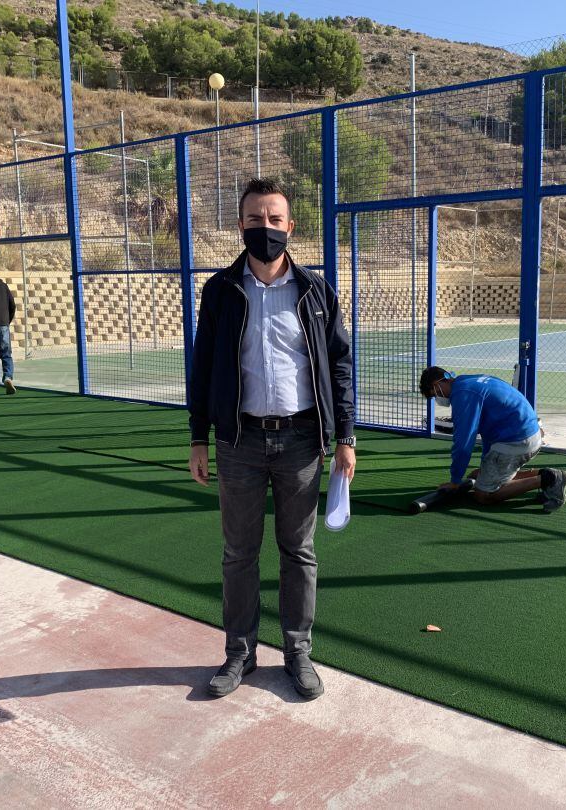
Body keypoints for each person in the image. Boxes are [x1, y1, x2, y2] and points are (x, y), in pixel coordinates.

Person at [188, 178, 356, 700]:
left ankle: (297, 652)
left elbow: (340, 365)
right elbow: (203, 367)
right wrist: (199, 437)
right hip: (240, 440)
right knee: (239, 552)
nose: (266, 228)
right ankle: (239, 653)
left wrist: (346, 436)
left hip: (303, 439)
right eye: (255, 220)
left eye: (275, 219)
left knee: (297, 552)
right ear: (240, 225)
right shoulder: (219, 291)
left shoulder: (316, 291)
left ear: (290, 226)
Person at [419, 366, 566, 512]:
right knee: (475, 476)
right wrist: (487, 460)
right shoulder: (468, 380)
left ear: (437, 384)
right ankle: (546, 474)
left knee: (483, 495)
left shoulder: (462, 394)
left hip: (515, 442)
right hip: (530, 434)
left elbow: (463, 442)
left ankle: (548, 480)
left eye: (434, 394)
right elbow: (488, 432)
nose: (438, 398)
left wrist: (455, 481)